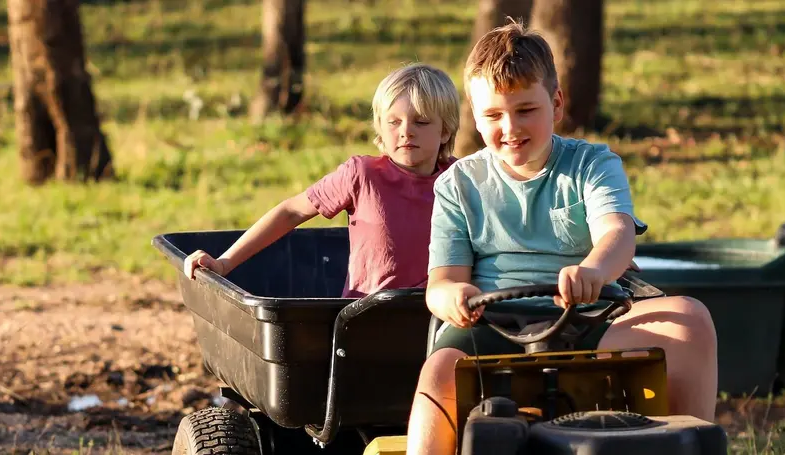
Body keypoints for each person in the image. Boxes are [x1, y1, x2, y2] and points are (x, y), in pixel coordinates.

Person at [406, 22, 720, 455]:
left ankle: (685, 444)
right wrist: (452, 297)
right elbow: (441, 283)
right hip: (493, 325)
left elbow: (616, 232)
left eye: (525, 110)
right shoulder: (459, 184)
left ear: (556, 102)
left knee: (690, 320)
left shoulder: (591, 164)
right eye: (493, 115)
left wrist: (593, 270)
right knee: (438, 374)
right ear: (475, 117)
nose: (510, 127)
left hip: (590, 316)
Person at [183, 63, 463, 298]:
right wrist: (223, 263)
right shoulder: (363, 175)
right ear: (379, 125)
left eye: (421, 122)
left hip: (437, 320)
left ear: (445, 131)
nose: (406, 132)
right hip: (366, 321)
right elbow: (292, 211)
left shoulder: (462, 181)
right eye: (394, 122)